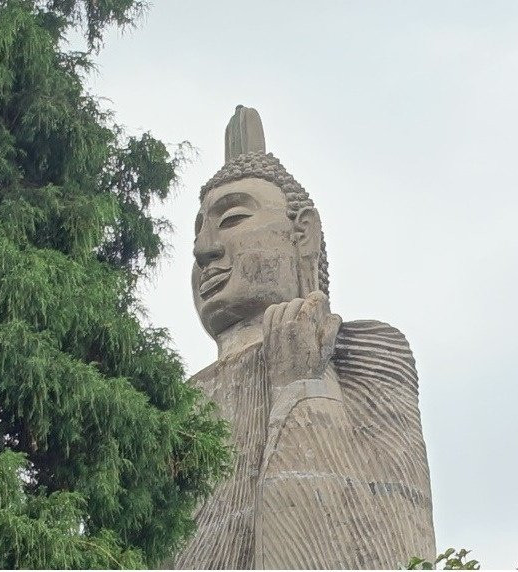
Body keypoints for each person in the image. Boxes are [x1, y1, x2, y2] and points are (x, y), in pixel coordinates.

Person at [175, 106, 435, 569]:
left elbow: (386, 551)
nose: (205, 249)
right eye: (199, 231)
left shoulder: (368, 354)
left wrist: (303, 386)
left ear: (303, 234)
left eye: (232, 218)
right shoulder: (180, 405)